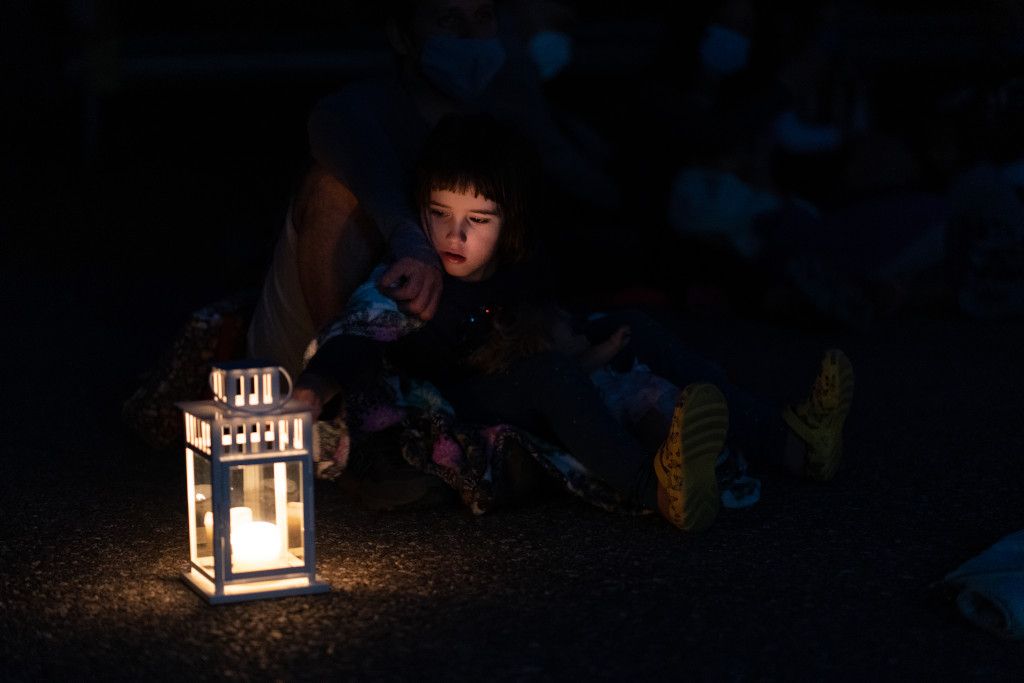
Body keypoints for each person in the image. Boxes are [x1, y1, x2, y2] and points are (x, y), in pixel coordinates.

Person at [294, 112, 856, 533]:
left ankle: (787, 439)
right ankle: (657, 486)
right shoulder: (416, 278)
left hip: (522, 358)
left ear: (508, 222)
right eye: (438, 215)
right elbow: (361, 331)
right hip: (462, 395)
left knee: (632, 325)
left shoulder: (515, 266)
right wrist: (318, 385)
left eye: (477, 220)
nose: (454, 236)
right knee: (549, 376)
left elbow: (545, 309)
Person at [246, 0, 625, 379]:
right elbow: (338, 135)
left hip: (458, 359)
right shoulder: (360, 113)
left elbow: (581, 181)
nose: (469, 36)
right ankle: (348, 382)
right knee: (333, 189)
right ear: (402, 36)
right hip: (307, 362)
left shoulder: (502, 120)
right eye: (448, 19)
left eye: (482, 17)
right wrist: (409, 238)